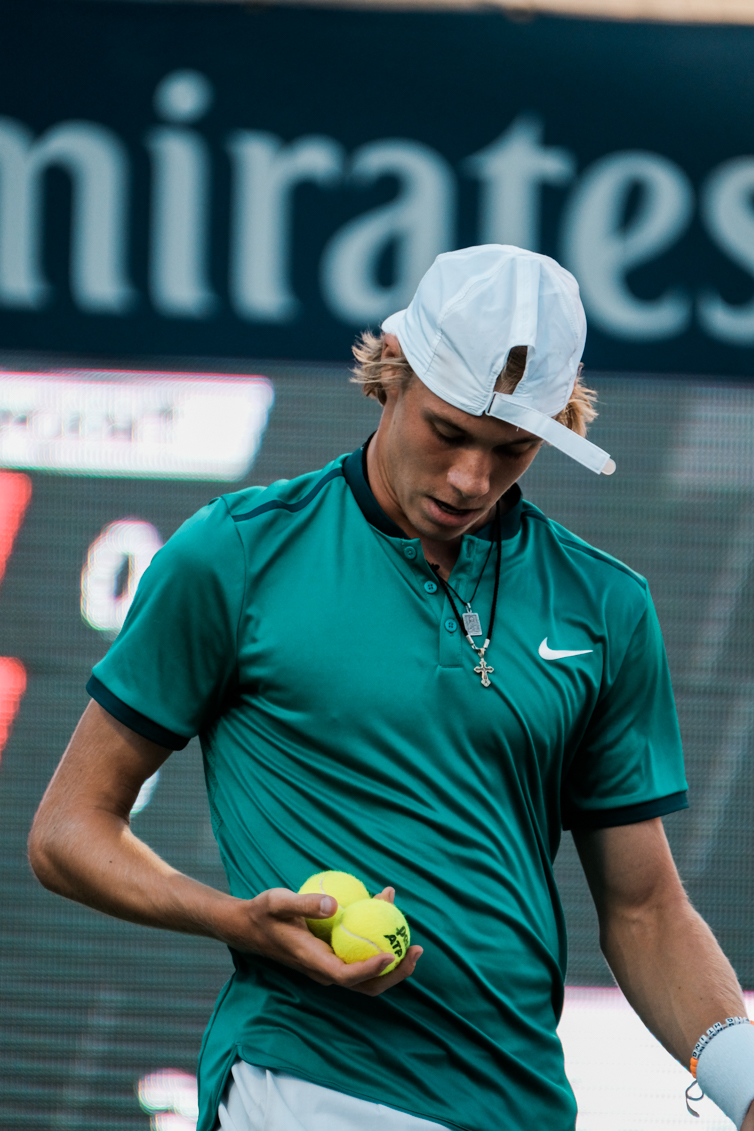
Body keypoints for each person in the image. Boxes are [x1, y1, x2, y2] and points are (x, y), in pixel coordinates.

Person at [29, 245, 754, 1131]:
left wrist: (747, 1084)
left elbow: (645, 909)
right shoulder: (236, 552)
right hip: (302, 1085)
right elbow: (68, 830)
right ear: (389, 378)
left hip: (522, 1105)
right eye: (447, 431)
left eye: (510, 448)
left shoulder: (608, 603)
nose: (470, 480)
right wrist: (241, 920)